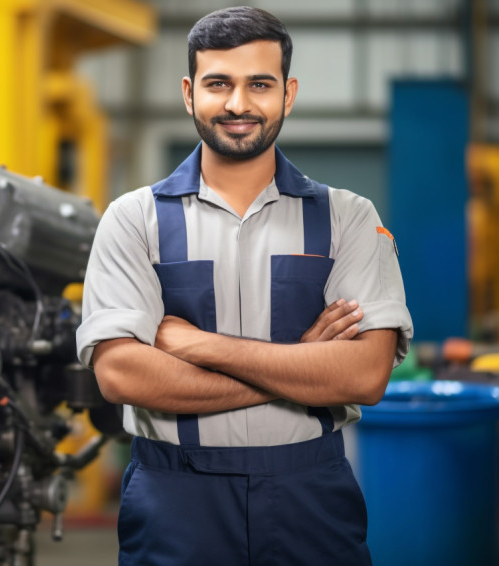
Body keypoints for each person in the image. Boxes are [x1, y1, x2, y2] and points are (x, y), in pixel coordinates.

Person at [76, 6, 413, 566]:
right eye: (218, 84)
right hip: (174, 495)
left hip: (310, 492)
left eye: (260, 84)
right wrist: (302, 364)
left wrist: (198, 345)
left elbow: (365, 373)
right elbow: (120, 374)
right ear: (189, 94)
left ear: (289, 92)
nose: (238, 104)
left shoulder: (348, 218)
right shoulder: (133, 219)